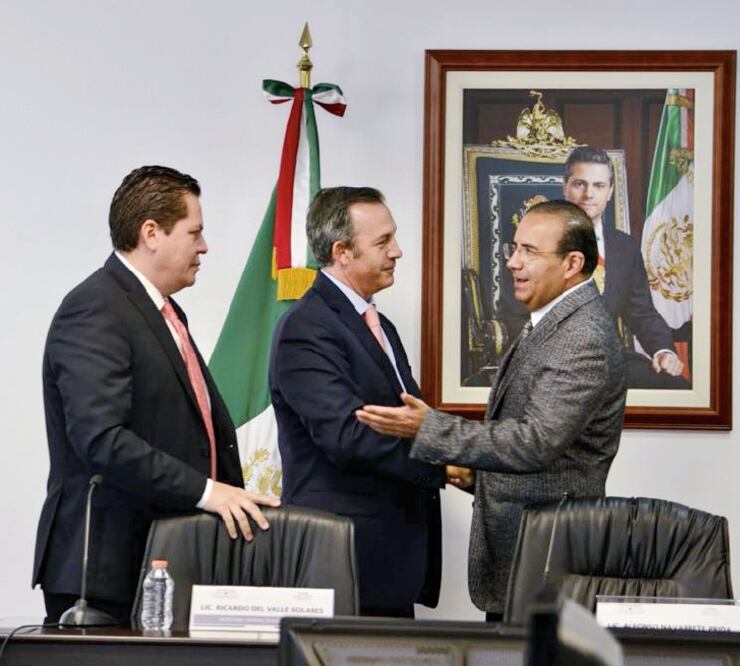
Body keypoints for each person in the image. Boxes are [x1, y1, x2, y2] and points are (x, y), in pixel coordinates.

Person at [357, 200, 627, 620]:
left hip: (549, 561)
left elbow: (536, 442)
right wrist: (473, 474)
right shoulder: (553, 319)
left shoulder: (582, 336)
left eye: (530, 252)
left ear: (573, 262)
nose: (513, 263)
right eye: (514, 248)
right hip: (524, 557)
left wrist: (429, 428)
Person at [33, 166, 279, 625]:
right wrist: (208, 492)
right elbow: (101, 439)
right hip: (106, 575)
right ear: (151, 233)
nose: (204, 246)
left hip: (163, 560)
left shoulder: (163, 311)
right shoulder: (95, 308)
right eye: (195, 232)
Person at [269, 186, 446, 618]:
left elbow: (409, 418)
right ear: (342, 251)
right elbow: (347, 436)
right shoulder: (307, 328)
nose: (398, 251)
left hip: (388, 561)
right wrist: (445, 460)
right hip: (341, 562)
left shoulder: (378, 323)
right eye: (383, 242)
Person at [562, 145, 687, 388]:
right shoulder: (534, 242)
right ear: (564, 186)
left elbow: (642, 314)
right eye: (579, 184)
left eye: (598, 186)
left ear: (609, 192)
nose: (589, 194)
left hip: (611, 363)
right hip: (554, 366)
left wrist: (663, 351)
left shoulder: (624, 248)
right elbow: (516, 316)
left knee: (677, 389)